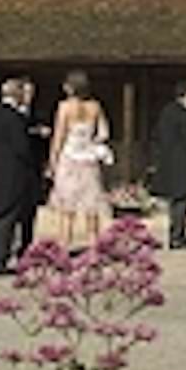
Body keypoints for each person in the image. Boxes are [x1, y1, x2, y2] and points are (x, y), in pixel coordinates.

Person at [0, 79, 36, 276]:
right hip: (12, 172)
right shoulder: (14, 118)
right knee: (8, 218)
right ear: (17, 94)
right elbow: (22, 147)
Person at [47, 70, 111, 248]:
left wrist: (52, 161)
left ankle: (64, 247)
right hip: (88, 159)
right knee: (92, 208)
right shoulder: (95, 106)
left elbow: (59, 137)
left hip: (69, 159)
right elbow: (104, 132)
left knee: (67, 209)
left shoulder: (65, 107)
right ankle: (94, 247)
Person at [151, 80, 186, 250]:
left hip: (169, 161)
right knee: (182, 200)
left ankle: (176, 234)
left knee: (176, 200)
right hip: (183, 161)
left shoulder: (167, 112)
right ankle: (177, 236)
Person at [15, 78, 51, 258]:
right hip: (15, 168)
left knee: (30, 209)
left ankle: (26, 245)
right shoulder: (9, 114)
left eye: (31, 93)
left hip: (33, 165)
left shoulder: (38, 114)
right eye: (26, 92)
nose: (29, 96)